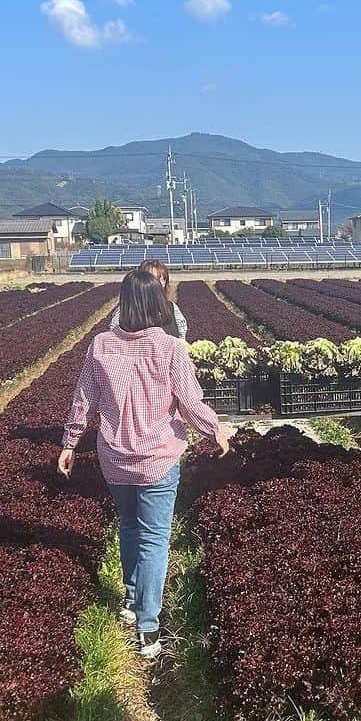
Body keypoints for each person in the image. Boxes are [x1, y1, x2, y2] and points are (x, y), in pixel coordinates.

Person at [59, 269, 228, 659]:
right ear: (158, 304)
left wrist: (69, 442)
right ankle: (149, 627)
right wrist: (215, 431)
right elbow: (189, 402)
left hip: (115, 458)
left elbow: (83, 400)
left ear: (123, 303)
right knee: (155, 539)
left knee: (129, 526)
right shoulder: (170, 347)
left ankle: (131, 602)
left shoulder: (100, 345)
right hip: (157, 459)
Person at [108, 259, 188, 339]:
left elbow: (181, 336)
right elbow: (114, 335)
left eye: (163, 279)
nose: (160, 284)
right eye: (154, 279)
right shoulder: (124, 311)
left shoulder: (172, 308)